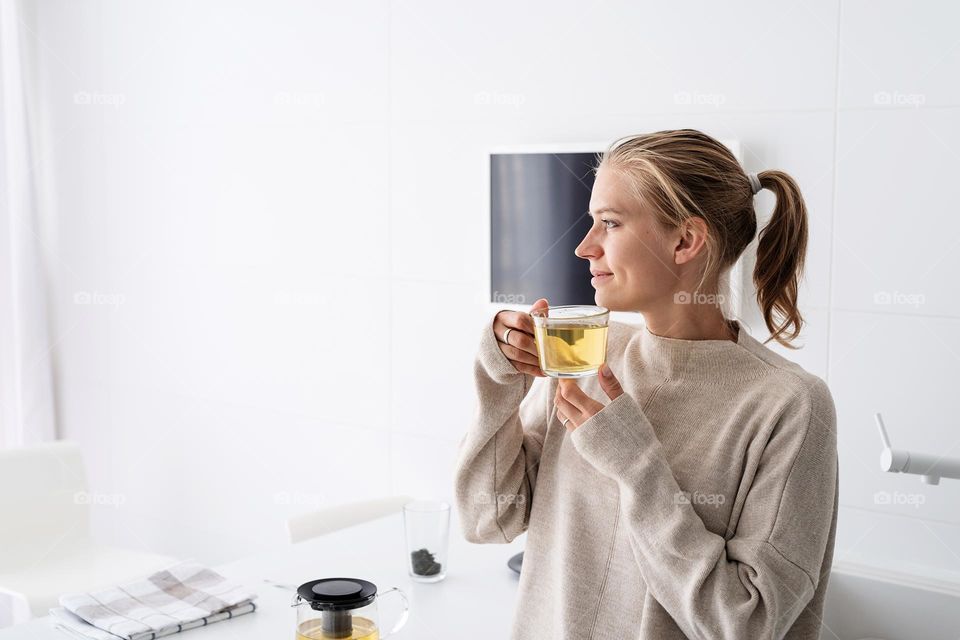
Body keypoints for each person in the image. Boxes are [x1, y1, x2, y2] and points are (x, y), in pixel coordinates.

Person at [453, 129, 838, 639]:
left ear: (684, 241)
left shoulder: (788, 405)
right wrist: (499, 380)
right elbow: (488, 522)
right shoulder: (589, 353)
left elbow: (746, 624)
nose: (583, 247)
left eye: (609, 224)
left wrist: (635, 465)